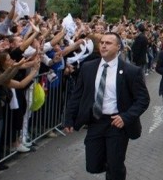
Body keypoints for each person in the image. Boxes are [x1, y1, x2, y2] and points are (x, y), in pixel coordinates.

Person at [64, 32, 150, 180]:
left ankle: (114, 168)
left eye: (108, 43)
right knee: (93, 165)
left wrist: (126, 117)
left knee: (115, 165)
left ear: (118, 47)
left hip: (116, 123)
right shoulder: (88, 68)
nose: (103, 45)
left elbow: (143, 99)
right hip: (95, 121)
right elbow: (77, 95)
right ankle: (110, 164)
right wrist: (69, 118)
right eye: (102, 42)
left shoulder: (131, 71)